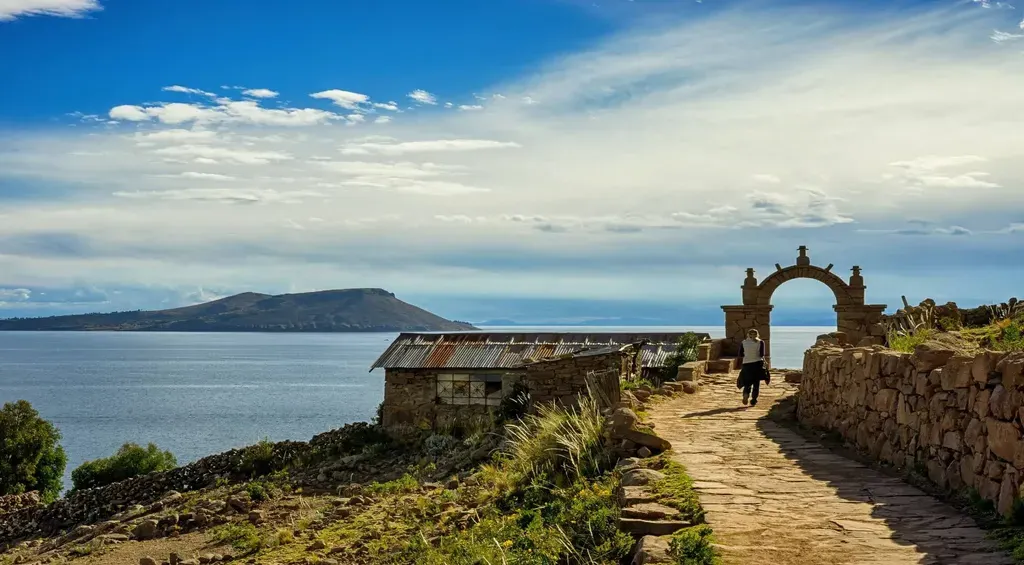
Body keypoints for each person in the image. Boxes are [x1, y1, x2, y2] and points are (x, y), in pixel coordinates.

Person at [736, 329, 770, 406]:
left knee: (747, 382)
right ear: (757, 334)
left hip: (746, 364)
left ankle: (745, 394)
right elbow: (762, 354)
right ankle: (753, 400)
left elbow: (740, 354)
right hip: (757, 364)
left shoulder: (743, 342)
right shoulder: (761, 342)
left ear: (748, 334)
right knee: (756, 383)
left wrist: (747, 354)